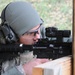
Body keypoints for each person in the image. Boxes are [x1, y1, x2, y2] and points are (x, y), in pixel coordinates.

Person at [0, 1, 49, 75]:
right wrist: (22, 70)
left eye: (38, 29)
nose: (38, 37)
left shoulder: (42, 34)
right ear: (12, 35)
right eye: (30, 33)